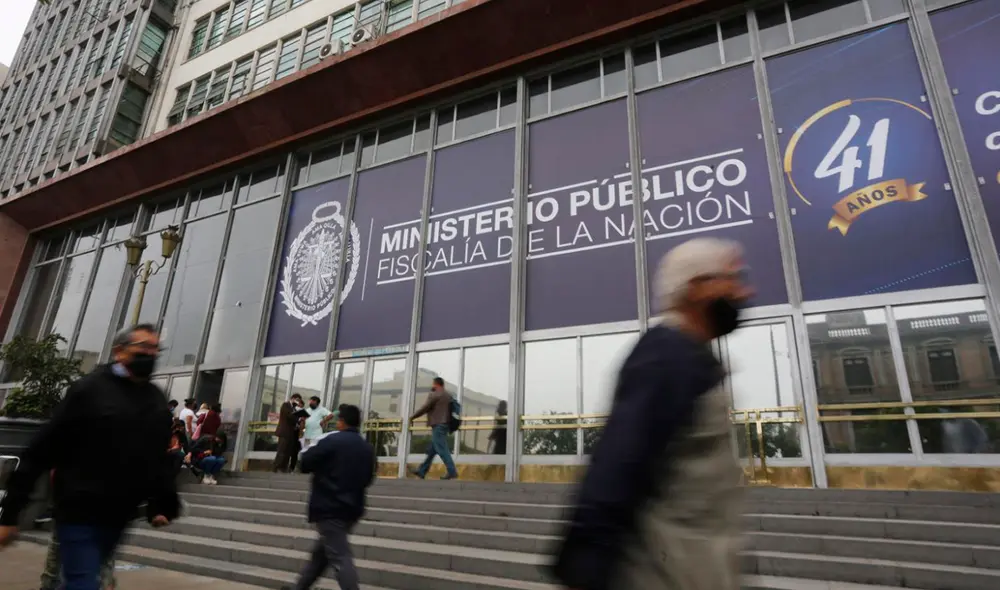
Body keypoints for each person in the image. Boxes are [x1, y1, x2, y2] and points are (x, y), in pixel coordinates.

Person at [550, 238, 752, 590]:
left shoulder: (691, 359)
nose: (743, 292)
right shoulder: (667, 359)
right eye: (731, 279)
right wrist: (585, 568)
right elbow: (617, 467)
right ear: (696, 287)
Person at [0, 324, 179, 590]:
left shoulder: (155, 400)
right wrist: (11, 513)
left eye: (155, 349)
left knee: (83, 579)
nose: (150, 354)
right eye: (143, 347)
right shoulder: (90, 390)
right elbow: (41, 450)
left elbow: (156, 457)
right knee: (83, 582)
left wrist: (161, 504)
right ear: (119, 351)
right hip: (78, 509)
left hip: (119, 514)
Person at [286, 404, 375, 590]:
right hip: (352, 508)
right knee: (321, 556)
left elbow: (305, 462)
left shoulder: (332, 441)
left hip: (329, 507)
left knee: (340, 557)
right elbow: (368, 478)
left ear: (341, 421)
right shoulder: (367, 448)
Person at [409, 377, 458, 480]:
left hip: (438, 424)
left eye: (433, 384)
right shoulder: (448, 395)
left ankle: (452, 471)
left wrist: (412, 417)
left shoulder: (435, 394)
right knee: (432, 450)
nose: (432, 386)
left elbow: (425, 407)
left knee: (442, 449)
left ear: (436, 384)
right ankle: (422, 471)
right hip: (445, 424)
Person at [273, 394, 306, 473]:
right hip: (284, 432)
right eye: (297, 400)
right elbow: (289, 416)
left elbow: (294, 420)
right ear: (293, 398)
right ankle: (276, 468)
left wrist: (300, 422)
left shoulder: (294, 408)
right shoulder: (286, 405)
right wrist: (299, 418)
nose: (298, 402)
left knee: (288, 452)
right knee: (282, 451)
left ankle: (283, 468)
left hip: (291, 433)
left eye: (299, 401)